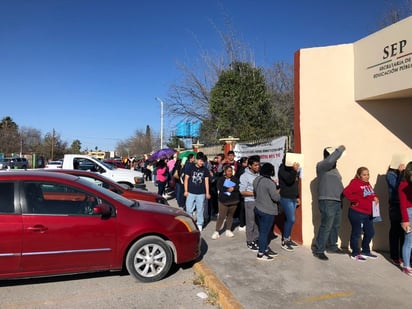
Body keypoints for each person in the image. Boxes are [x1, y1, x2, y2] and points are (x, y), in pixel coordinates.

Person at [313, 145, 346, 261]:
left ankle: (332, 246)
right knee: (326, 225)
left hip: (338, 201)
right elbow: (331, 159)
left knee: (335, 226)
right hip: (327, 201)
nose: (336, 161)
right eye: (334, 158)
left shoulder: (335, 170)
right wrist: (340, 149)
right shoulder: (322, 166)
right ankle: (319, 249)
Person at [343, 167, 379, 262]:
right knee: (356, 233)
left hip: (368, 213)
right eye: (364, 175)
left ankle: (365, 250)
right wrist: (356, 200)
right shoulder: (355, 183)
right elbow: (346, 192)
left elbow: (370, 194)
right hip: (357, 212)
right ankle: (355, 253)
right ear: (359, 175)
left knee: (370, 232)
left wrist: (375, 197)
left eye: (368, 174)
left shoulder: (367, 184)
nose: (367, 176)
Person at [253, 163, 280, 260]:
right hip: (268, 211)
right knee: (264, 232)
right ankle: (261, 253)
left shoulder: (257, 179)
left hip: (258, 208)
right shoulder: (270, 183)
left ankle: (265, 248)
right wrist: (279, 191)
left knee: (262, 231)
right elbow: (276, 198)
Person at [184, 152, 211, 231]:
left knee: (200, 209)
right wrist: (186, 190)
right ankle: (190, 224)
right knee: (189, 209)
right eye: (200, 161)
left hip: (201, 193)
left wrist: (207, 192)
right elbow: (186, 179)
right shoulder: (190, 168)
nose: (202, 163)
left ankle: (200, 224)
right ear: (196, 160)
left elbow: (206, 181)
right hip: (190, 192)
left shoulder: (205, 170)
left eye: (203, 161)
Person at [211, 165, 240, 239]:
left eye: (231, 171)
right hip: (223, 201)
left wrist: (233, 188)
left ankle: (228, 229)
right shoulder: (221, 179)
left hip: (233, 201)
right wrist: (229, 188)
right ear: (225, 172)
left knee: (230, 216)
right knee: (221, 216)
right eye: (228, 171)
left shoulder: (235, 179)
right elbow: (221, 188)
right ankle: (217, 231)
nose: (230, 172)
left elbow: (238, 186)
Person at [278, 158, 300, 252]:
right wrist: (294, 170)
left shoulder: (292, 170)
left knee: (289, 219)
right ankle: (285, 241)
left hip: (293, 197)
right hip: (286, 197)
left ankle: (288, 238)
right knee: (291, 219)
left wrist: (297, 196)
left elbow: (295, 183)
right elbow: (289, 181)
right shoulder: (282, 169)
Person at [239, 155, 261, 251]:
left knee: (257, 222)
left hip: (259, 201)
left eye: (258, 165)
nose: (257, 167)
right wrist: (254, 193)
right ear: (250, 166)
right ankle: (250, 241)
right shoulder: (244, 176)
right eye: (255, 165)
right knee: (250, 222)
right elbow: (242, 191)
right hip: (250, 202)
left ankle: (256, 239)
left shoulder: (258, 175)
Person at [386, 163, 405, 266]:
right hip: (395, 205)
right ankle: (394, 256)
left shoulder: (404, 174)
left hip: (404, 205)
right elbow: (397, 187)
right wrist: (401, 173)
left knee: (404, 232)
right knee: (395, 231)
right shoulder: (390, 175)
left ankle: (403, 256)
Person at [399, 161, 412, 275]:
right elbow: (403, 205)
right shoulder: (403, 185)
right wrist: (405, 220)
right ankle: (406, 266)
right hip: (409, 213)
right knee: (409, 240)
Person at [235, 157, 248, 231]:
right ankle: (242, 224)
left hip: (241, 191)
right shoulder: (242, 171)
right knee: (242, 208)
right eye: (246, 162)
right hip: (242, 192)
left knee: (242, 208)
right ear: (243, 163)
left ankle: (242, 223)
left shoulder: (241, 170)